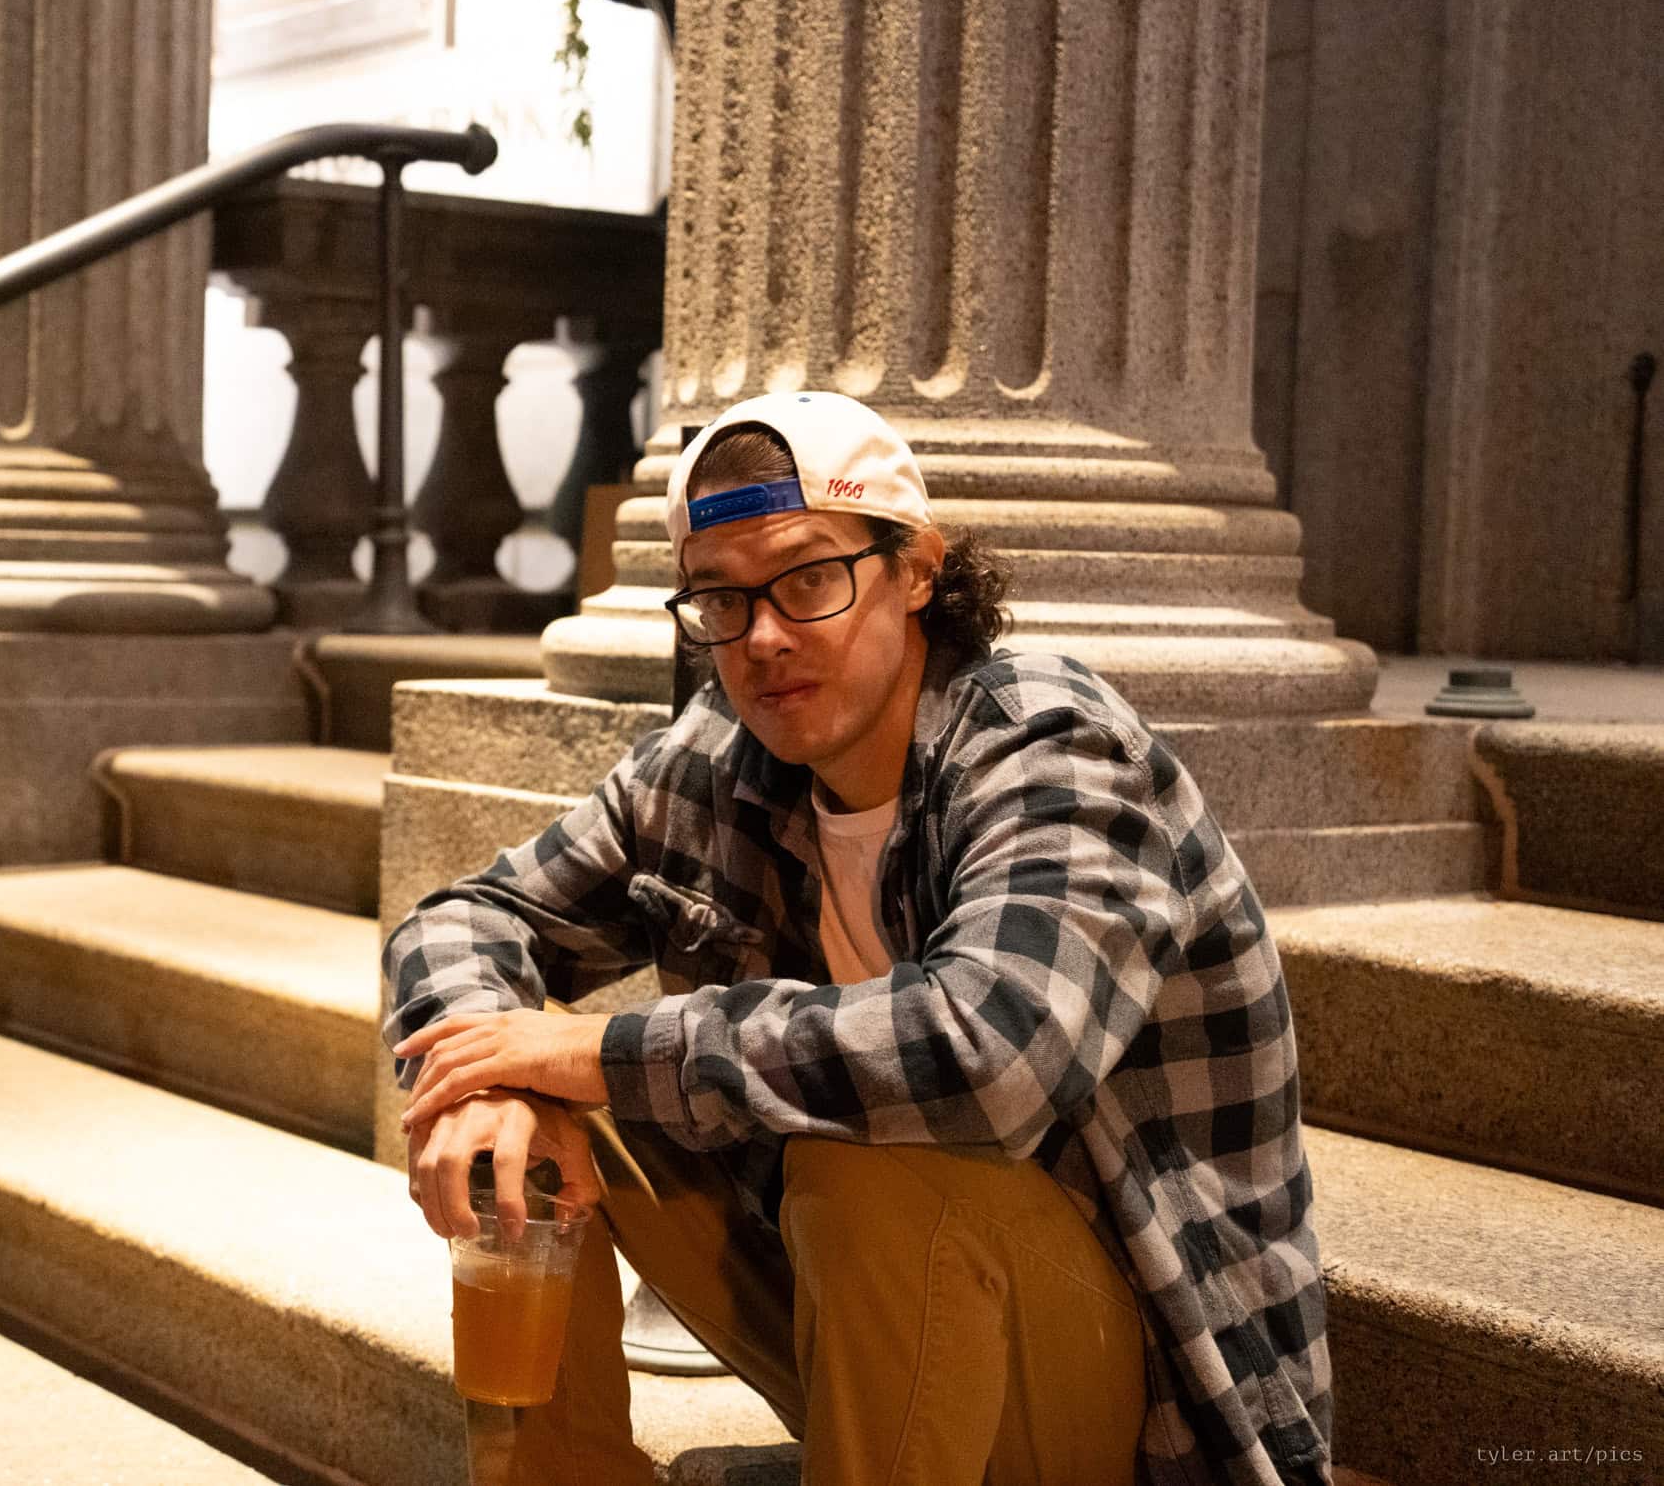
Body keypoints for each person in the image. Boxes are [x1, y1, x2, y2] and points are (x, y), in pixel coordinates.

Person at [381, 391, 1330, 1486]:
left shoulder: (1050, 747)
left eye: (807, 580)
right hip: (876, 1333)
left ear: (915, 569)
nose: (763, 636)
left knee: (865, 1160)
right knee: (517, 1096)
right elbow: (465, 915)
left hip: (1147, 1399)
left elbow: (990, 1053)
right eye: (721, 599)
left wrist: (599, 1049)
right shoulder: (718, 759)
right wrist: (485, 1069)